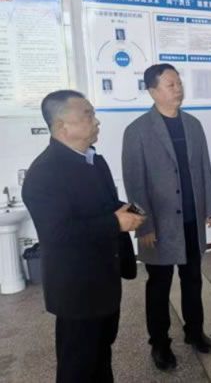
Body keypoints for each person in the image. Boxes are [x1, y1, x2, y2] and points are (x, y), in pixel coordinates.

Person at [22, 90, 145, 383]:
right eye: (88, 114)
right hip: (77, 289)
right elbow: (58, 233)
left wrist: (127, 210)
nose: (96, 121)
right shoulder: (44, 173)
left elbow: (103, 205)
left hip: (104, 279)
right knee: (77, 364)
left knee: (101, 353)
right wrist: (115, 223)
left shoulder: (92, 160)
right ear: (63, 125)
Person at [122, 63, 211, 371]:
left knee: (193, 279)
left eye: (179, 83)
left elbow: (204, 167)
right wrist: (144, 226)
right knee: (159, 285)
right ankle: (160, 344)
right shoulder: (137, 130)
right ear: (153, 91)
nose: (178, 89)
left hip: (190, 220)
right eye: (170, 84)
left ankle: (195, 332)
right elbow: (134, 182)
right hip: (158, 224)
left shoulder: (193, 124)